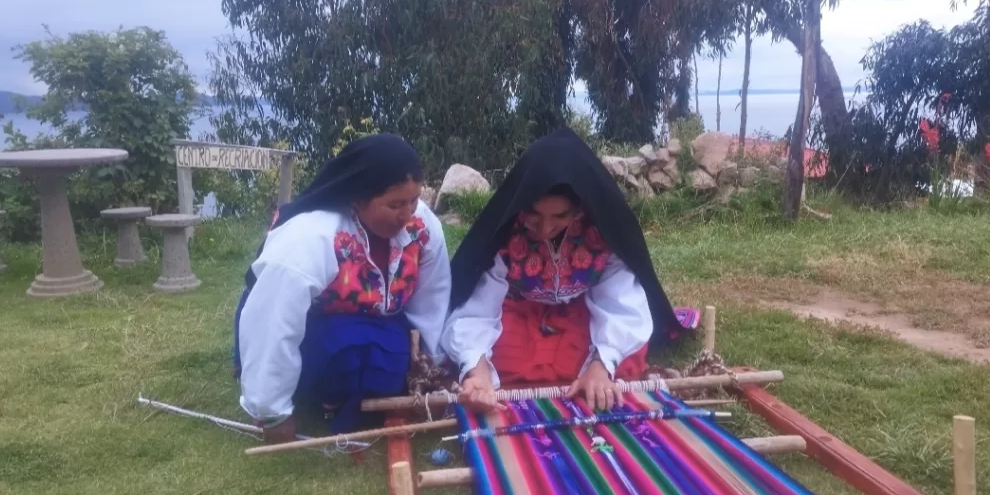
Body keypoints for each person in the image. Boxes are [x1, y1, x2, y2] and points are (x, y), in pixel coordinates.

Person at [440, 127, 692, 413]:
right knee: (490, 361)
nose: (545, 229)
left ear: (581, 208)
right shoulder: (507, 232)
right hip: (518, 312)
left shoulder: (603, 231)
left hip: (584, 312)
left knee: (626, 357)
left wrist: (601, 364)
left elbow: (619, 299)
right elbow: (479, 305)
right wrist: (478, 369)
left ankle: (589, 373)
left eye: (559, 217)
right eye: (534, 215)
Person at [233, 134, 451, 443]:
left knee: (391, 358)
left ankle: (349, 393)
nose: (407, 213)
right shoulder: (313, 236)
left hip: (376, 321)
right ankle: (322, 396)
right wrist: (272, 412)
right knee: (349, 349)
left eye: (414, 200)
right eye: (395, 204)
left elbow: (433, 298)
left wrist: (429, 369)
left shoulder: (422, 226)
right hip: (312, 328)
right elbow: (273, 320)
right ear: (358, 198)